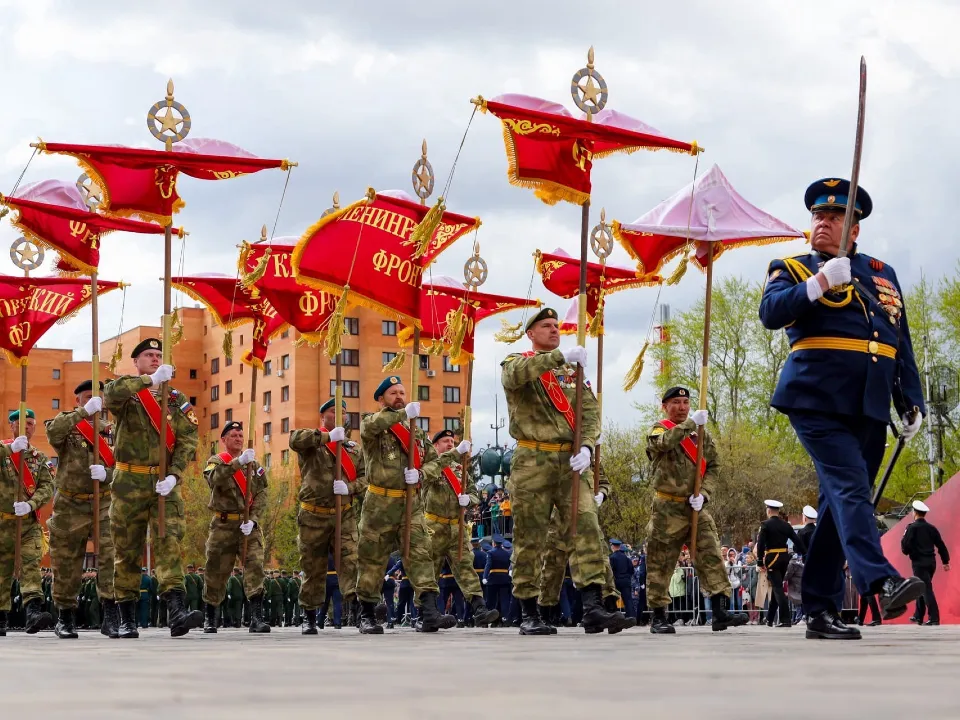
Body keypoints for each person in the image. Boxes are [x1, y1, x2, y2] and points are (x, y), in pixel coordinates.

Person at [759, 179, 926, 640]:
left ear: (853, 229)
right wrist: (816, 285)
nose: (822, 224)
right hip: (816, 398)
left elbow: (899, 344)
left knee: (839, 506)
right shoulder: (792, 268)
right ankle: (883, 579)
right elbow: (771, 314)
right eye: (817, 216)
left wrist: (910, 400)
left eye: (834, 218)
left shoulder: (882, 273)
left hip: (869, 404)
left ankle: (819, 609)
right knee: (852, 489)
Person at [500, 307, 619, 635]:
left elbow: (591, 411)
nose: (555, 330)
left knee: (586, 526)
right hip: (532, 462)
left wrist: (586, 444)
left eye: (556, 326)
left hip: (570, 463)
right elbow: (514, 375)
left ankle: (593, 606)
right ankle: (528, 610)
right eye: (546, 326)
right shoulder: (517, 361)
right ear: (531, 333)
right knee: (530, 538)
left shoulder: (572, 369)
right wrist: (558, 358)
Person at [104, 337, 202, 638]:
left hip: (163, 482)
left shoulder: (175, 399)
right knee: (127, 549)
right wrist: (148, 381)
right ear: (136, 362)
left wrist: (174, 475)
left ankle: (177, 612)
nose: (156, 360)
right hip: (128, 481)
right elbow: (109, 396)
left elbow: (188, 439)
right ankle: (127, 618)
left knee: (169, 541)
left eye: (159, 356)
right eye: (149, 356)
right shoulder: (128, 393)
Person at [355, 376, 456, 634]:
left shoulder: (417, 432)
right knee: (373, 559)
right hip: (380, 502)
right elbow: (370, 427)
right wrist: (401, 414)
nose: (399, 396)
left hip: (411, 503)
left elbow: (436, 461)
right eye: (393, 393)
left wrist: (422, 474)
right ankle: (367, 614)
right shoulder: (372, 421)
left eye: (402, 392)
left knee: (421, 554)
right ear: (381, 399)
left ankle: (429, 612)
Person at [645, 387, 747, 634]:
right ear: (665, 406)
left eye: (686, 402)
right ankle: (659, 615)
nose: (682, 407)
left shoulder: (700, 435)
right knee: (661, 562)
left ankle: (720, 610)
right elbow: (663, 444)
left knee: (710, 554)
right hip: (667, 508)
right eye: (676, 402)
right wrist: (691, 424)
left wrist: (705, 494)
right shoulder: (660, 429)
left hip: (695, 507)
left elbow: (714, 465)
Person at [45, 380, 118, 639]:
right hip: (69, 503)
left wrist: (107, 474)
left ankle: (110, 614)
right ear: (78, 400)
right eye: (87, 397)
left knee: (111, 556)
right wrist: (84, 412)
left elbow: (123, 465)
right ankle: (65, 617)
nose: (93, 401)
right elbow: (52, 433)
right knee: (67, 561)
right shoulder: (68, 422)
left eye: (96, 398)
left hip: (104, 502)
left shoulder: (113, 429)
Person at [289, 398, 367, 634]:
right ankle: (309, 616)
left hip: (344, 515)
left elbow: (366, 479)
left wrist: (350, 488)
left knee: (351, 561)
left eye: (343, 413)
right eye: (334, 412)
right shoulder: (313, 442)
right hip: (314, 515)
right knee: (313, 567)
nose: (340, 416)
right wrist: (327, 437)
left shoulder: (353, 449)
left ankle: (359, 612)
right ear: (323, 417)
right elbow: (294, 439)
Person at [421, 428, 497, 627]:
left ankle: (479, 609)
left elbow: (474, 494)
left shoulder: (459, 469)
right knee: (429, 570)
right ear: (435, 445)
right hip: (433, 525)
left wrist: (468, 500)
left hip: (457, 527)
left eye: (452, 443)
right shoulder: (430, 466)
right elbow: (426, 478)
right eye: (445, 441)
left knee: (465, 568)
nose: (450, 445)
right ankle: (425, 613)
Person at [200, 421, 270, 634]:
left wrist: (254, 519)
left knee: (255, 566)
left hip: (247, 524)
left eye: (241, 435)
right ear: (223, 440)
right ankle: (210, 618)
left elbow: (262, 494)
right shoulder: (216, 462)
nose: (238, 438)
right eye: (233, 435)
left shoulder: (254, 465)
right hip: (223, 524)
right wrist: (238, 463)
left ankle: (256, 618)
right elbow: (214, 479)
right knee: (215, 570)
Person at [0, 408, 55, 635]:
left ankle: (33, 611)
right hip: (2, 523)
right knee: (2, 569)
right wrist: (9, 449)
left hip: (28, 523)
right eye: (23, 423)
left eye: (31, 423)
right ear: (12, 426)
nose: (27, 427)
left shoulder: (39, 458)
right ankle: (1, 617)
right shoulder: (3, 450)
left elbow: (47, 486)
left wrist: (31, 505)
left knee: (31, 564)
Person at [756, 499, 805, 628]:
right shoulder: (786, 525)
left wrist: (760, 560)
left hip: (772, 558)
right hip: (784, 558)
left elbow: (760, 544)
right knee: (776, 588)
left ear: (769, 510)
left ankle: (785, 619)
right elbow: (797, 540)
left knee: (777, 589)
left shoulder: (765, 525)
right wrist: (802, 552)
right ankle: (770, 619)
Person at [902, 500, 950, 626]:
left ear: (915, 512)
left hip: (919, 563)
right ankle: (918, 615)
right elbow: (941, 545)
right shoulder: (931, 528)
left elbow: (905, 548)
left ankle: (934, 618)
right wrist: (945, 561)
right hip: (931, 563)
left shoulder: (911, 528)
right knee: (921, 587)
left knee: (925, 589)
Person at [608, 539, 635, 619]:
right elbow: (631, 570)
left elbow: (610, 571)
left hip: (616, 581)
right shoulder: (626, 558)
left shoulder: (612, 557)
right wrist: (627, 576)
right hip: (626, 581)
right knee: (628, 599)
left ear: (612, 546)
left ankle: (614, 615)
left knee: (613, 599)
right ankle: (631, 616)